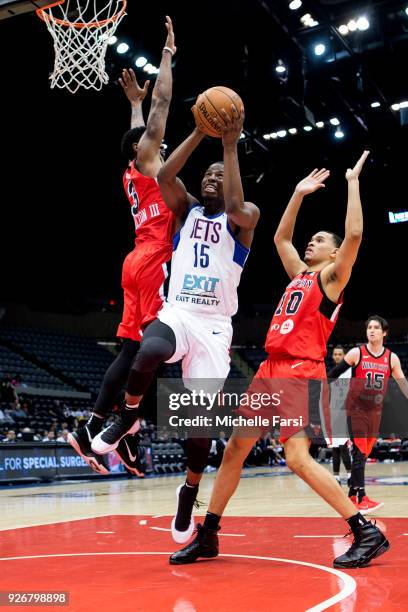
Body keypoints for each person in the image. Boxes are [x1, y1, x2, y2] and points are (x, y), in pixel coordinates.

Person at [170, 151, 392, 570]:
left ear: (333, 253)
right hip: (270, 371)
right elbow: (280, 240)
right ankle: (209, 535)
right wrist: (296, 193)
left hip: (301, 373)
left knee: (297, 458)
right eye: (315, 238)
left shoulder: (331, 277)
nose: (313, 241)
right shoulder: (301, 275)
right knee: (235, 448)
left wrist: (352, 183)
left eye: (322, 240)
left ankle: (365, 530)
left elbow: (356, 235)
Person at [92, 104, 260, 543]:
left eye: (218, 176)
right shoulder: (184, 211)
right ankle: (127, 417)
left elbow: (239, 203)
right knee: (147, 349)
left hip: (215, 328)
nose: (210, 178)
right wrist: (200, 132)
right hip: (179, 312)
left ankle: (189, 492)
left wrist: (228, 145)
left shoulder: (244, 220)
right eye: (206, 174)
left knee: (198, 430)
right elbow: (165, 176)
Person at [68, 16, 177, 476]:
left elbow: (139, 135)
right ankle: (122, 429)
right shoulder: (149, 162)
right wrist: (168, 53)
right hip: (153, 261)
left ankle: (93, 426)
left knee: (132, 352)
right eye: (156, 143)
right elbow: (165, 101)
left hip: (134, 261)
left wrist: (133, 104)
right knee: (156, 351)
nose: (162, 145)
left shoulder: (132, 170)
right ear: (146, 150)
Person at [328, 315, 408, 514]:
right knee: (359, 453)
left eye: (375, 327)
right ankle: (362, 498)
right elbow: (333, 374)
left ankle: (352, 495)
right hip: (355, 411)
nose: (371, 330)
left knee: (363, 455)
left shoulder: (391, 358)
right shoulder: (357, 353)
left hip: (375, 413)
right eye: (369, 327)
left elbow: (403, 384)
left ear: (384, 332)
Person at [329, 346, 352, 485]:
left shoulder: (349, 371)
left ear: (344, 356)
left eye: (340, 354)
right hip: (333, 411)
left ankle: (350, 475)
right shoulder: (331, 373)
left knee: (343, 446)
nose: (337, 356)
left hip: (345, 411)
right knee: (335, 447)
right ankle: (336, 477)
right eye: (335, 354)